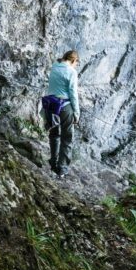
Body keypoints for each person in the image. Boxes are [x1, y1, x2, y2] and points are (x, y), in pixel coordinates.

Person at [41, 50, 80, 178]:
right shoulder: (71, 72)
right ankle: (62, 168)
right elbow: (73, 94)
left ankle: (53, 162)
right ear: (73, 61)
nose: (76, 66)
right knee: (66, 138)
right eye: (76, 63)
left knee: (54, 133)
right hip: (64, 107)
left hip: (51, 105)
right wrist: (77, 113)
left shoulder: (54, 66)